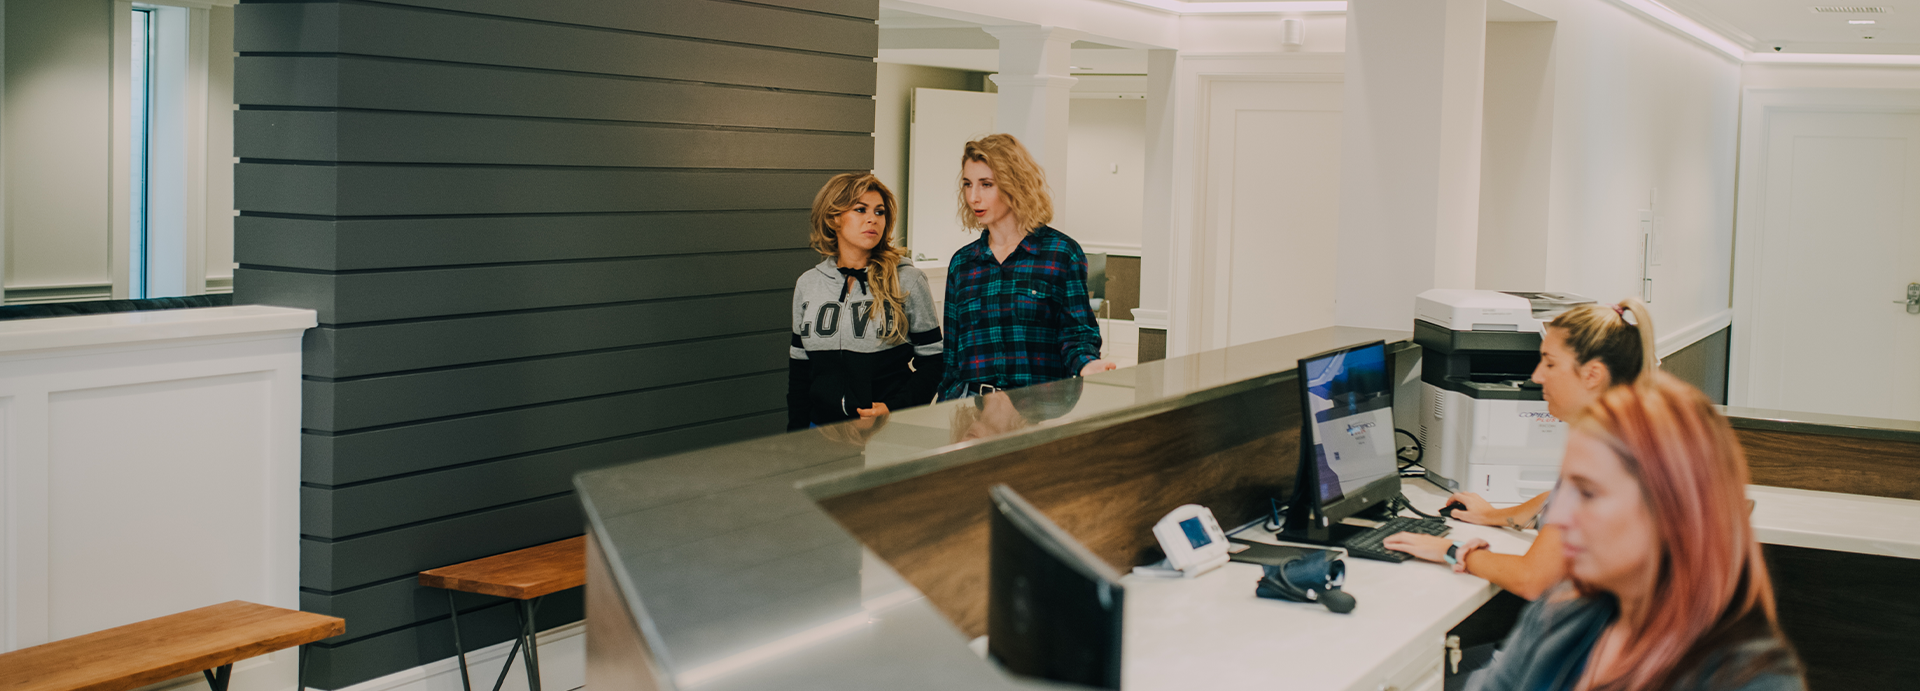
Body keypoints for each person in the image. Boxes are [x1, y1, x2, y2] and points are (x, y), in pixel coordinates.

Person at [1465, 373, 1805, 691]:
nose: (1558, 516)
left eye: (1587, 493)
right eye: (1563, 488)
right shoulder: (1560, 616)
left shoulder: (1751, 680)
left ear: (1671, 509)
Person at [1385, 298, 1656, 599]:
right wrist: (1492, 515)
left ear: (1593, 375)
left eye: (1550, 363)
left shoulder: (1601, 462)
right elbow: (1556, 499)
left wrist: (1449, 550)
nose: (1537, 376)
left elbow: (1532, 579)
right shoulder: (1630, 438)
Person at [938, 134, 1115, 401]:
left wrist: (1087, 365)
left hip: (1039, 408)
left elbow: (1077, 334)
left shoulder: (1060, 253)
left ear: (1015, 184)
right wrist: (949, 408)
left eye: (986, 184)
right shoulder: (963, 263)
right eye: (967, 184)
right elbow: (952, 358)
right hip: (973, 409)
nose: (973, 197)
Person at [788, 173, 943, 430]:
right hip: (822, 432)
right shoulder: (809, 284)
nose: (873, 219)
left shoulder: (907, 280)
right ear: (834, 218)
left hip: (888, 431)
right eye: (861, 210)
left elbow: (934, 362)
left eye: (879, 212)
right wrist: (796, 436)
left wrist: (895, 407)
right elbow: (800, 371)